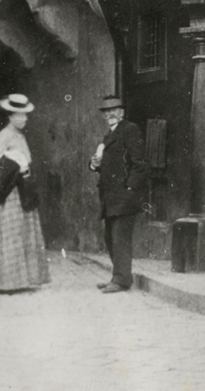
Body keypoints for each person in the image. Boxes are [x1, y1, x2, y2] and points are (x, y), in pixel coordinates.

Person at [0, 94, 50, 294]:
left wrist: (25, 170)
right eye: (20, 115)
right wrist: (15, 167)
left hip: (22, 192)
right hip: (8, 194)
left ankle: (19, 280)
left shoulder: (20, 136)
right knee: (5, 236)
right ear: (11, 116)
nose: (24, 119)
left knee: (20, 234)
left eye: (25, 115)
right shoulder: (4, 136)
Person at [90, 96, 148, 293]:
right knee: (111, 237)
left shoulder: (129, 130)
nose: (110, 114)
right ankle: (119, 276)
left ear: (122, 112)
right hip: (110, 196)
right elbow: (110, 164)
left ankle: (122, 280)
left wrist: (130, 189)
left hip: (123, 195)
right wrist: (94, 165)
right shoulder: (110, 135)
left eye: (114, 110)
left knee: (119, 238)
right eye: (106, 111)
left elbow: (139, 164)